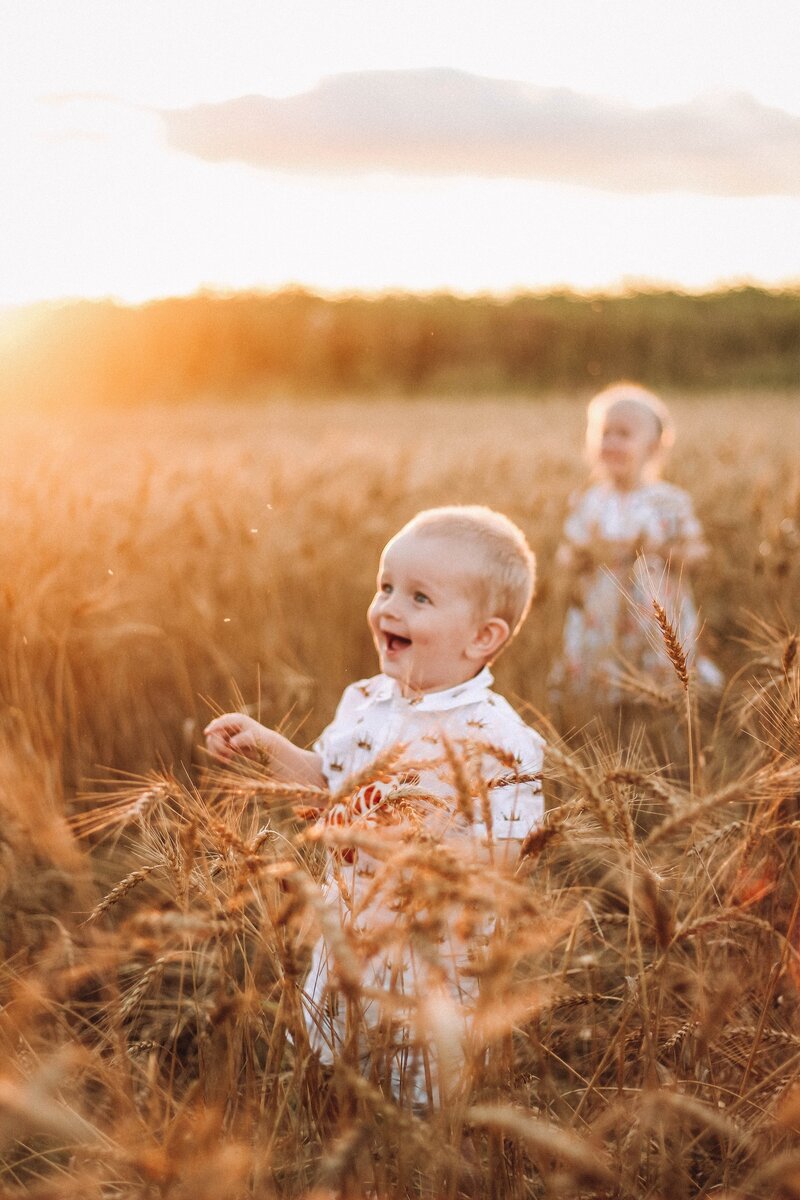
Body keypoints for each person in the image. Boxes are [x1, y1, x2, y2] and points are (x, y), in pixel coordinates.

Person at [205, 505, 545, 1108]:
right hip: (349, 936)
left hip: (435, 960)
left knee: (420, 1091)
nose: (389, 607)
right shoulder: (364, 702)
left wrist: (418, 855)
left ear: (483, 636)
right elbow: (323, 790)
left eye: (419, 598)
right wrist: (269, 745)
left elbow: (512, 851)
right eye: (385, 586)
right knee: (338, 1066)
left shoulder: (495, 736)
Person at [548, 381, 723, 714]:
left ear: (654, 447)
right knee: (601, 670)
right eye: (605, 432)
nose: (612, 441)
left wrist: (660, 550)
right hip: (601, 612)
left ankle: (660, 718)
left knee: (660, 672)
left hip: (655, 610)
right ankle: (605, 718)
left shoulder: (668, 501)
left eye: (624, 434)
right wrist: (582, 555)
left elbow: (699, 553)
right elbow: (566, 553)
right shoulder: (590, 502)